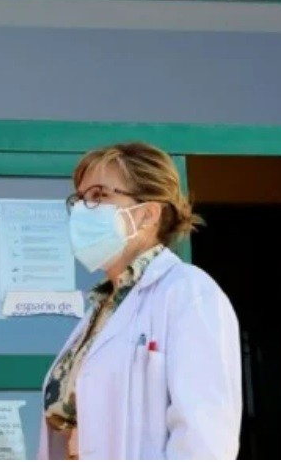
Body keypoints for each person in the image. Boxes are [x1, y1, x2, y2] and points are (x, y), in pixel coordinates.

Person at [39, 142, 243, 460]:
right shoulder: (101, 309)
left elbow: (204, 440)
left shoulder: (189, 294)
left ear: (147, 214)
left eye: (99, 196)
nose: (82, 210)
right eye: (79, 200)